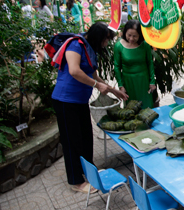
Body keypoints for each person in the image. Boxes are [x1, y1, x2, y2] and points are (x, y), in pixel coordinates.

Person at [52, 22, 128, 193]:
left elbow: (94, 75)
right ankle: (76, 181)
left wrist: (114, 90)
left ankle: (89, 171)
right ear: (97, 37)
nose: (106, 44)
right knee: (72, 141)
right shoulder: (75, 44)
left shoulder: (89, 48)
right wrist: (96, 85)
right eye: (105, 40)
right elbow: (74, 71)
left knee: (86, 137)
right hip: (65, 100)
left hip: (79, 101)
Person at [114, 20, 156, 109]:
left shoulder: (145, 44)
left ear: (140, 35)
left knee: (146, 105)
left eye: (135, 36)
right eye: (129, 35)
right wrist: (121, 85)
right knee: (131, 108)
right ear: (125, 32)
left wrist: (152, 81)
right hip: (128, 81)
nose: (131, 38)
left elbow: (150, 62)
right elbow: (117, 67)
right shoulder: (119, 46)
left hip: (143, 81)